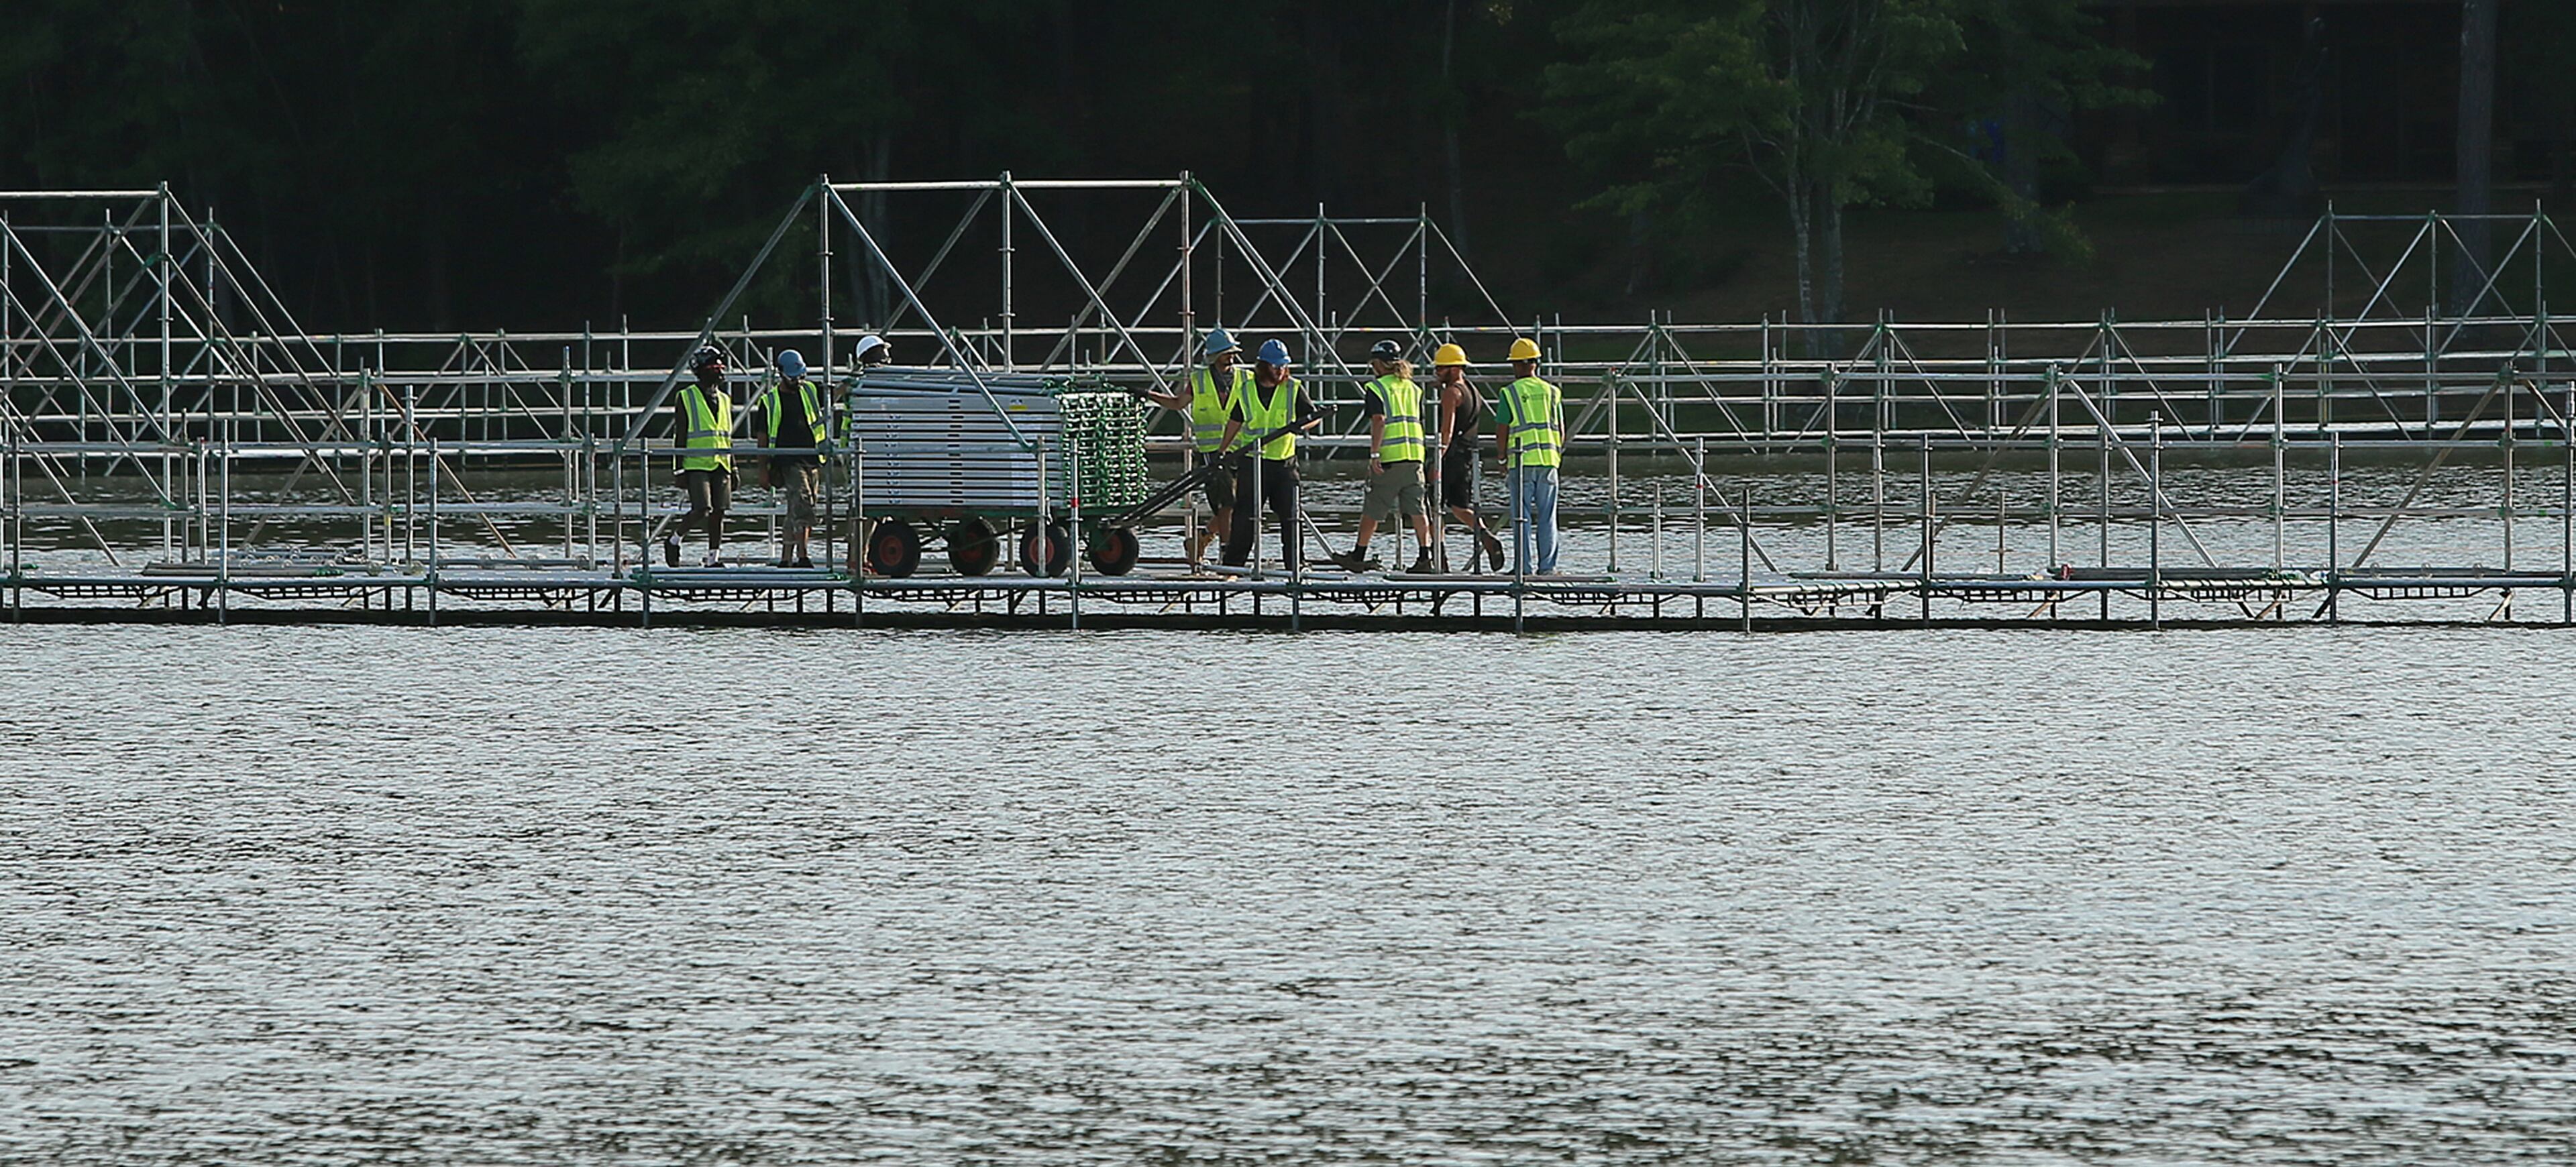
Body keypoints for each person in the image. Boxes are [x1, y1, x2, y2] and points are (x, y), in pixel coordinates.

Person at [1136, 327, 1250, 567]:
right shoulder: (1199, 380)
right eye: (1226, 352)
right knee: (1227, 504)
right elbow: (1178, 404)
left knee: (1240, 505)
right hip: (1212, 452)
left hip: (1242, 449)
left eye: (1233, 352)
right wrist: (1148, 395)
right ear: (1214, 355)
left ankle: (1201, 539)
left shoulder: (1246, 378)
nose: (1231, 356)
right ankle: (1228, 555)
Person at [1216, 339, 1321, 570]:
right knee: (1245, 515)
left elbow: (1314, 416)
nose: (1280, 370)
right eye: (1275, 366)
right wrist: (1222, 451)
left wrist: (1302, 427)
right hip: (1253, 463)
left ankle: (1295, 563)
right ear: (1263, 366)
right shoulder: (1247, 390)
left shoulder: (1293, 387)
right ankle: (1235, 564)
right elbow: (1236, 421)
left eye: (1283, 366)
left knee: (1291, 515)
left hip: (1284, 464)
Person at [1332, 339, 1436, 574]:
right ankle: (1425, 558)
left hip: (1390, 459)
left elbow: (1379, 420)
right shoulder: (1414, 389)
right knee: (1419, 510)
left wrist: (1374, 454)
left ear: (1378, 364)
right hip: (1415, 457)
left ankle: (1358, 555)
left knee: (1373, 509)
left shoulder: (1376, 388)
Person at [1432, 342, 1507, 572]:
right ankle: (1486, 536)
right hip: (1468, 455)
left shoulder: (1451, 393)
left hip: (1451, 455)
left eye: (1441, 368)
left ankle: (1440, 557)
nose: (1437, 373)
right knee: (1460, 507)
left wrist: (1437, 460)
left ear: (1455, 368)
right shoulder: (1473, 391)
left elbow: (1447, 430)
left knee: (1433, 505)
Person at [1493, 336, 1563, 575]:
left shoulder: (1510, 393)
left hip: (1521, 462)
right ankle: (1548, 568)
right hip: (1549, 461)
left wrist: (1502, 459)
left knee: (1521, 518)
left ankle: (1523, 567)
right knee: (1548, 518)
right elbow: (1560, 429)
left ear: (1518, 365)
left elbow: (1502, 430)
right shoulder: (1552, 392)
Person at [664, 345, 737, 568]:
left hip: (721, 463)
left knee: (720, 511)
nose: (720, 370)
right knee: (702, 508)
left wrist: (733, 467)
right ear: (703, 369)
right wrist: (678, 469)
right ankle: (674, 539)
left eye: (721, 366)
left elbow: (727, 435)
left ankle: (713, 558)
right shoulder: (686, 397)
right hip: (695, 463)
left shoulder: (725, 399)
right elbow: (681, 435)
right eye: (715, 366)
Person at [758, 348, 828, 569]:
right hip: (787, 461)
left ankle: (786, 557)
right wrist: (763, 470)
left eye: (801, 376)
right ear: (781, 374)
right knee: (803, 502)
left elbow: (833, 395)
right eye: (793, 377)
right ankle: (803, 555)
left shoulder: (808, 391)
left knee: (797, 508)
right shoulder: (770, 401)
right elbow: (762, 437)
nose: (798, 381)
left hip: (812, 458)